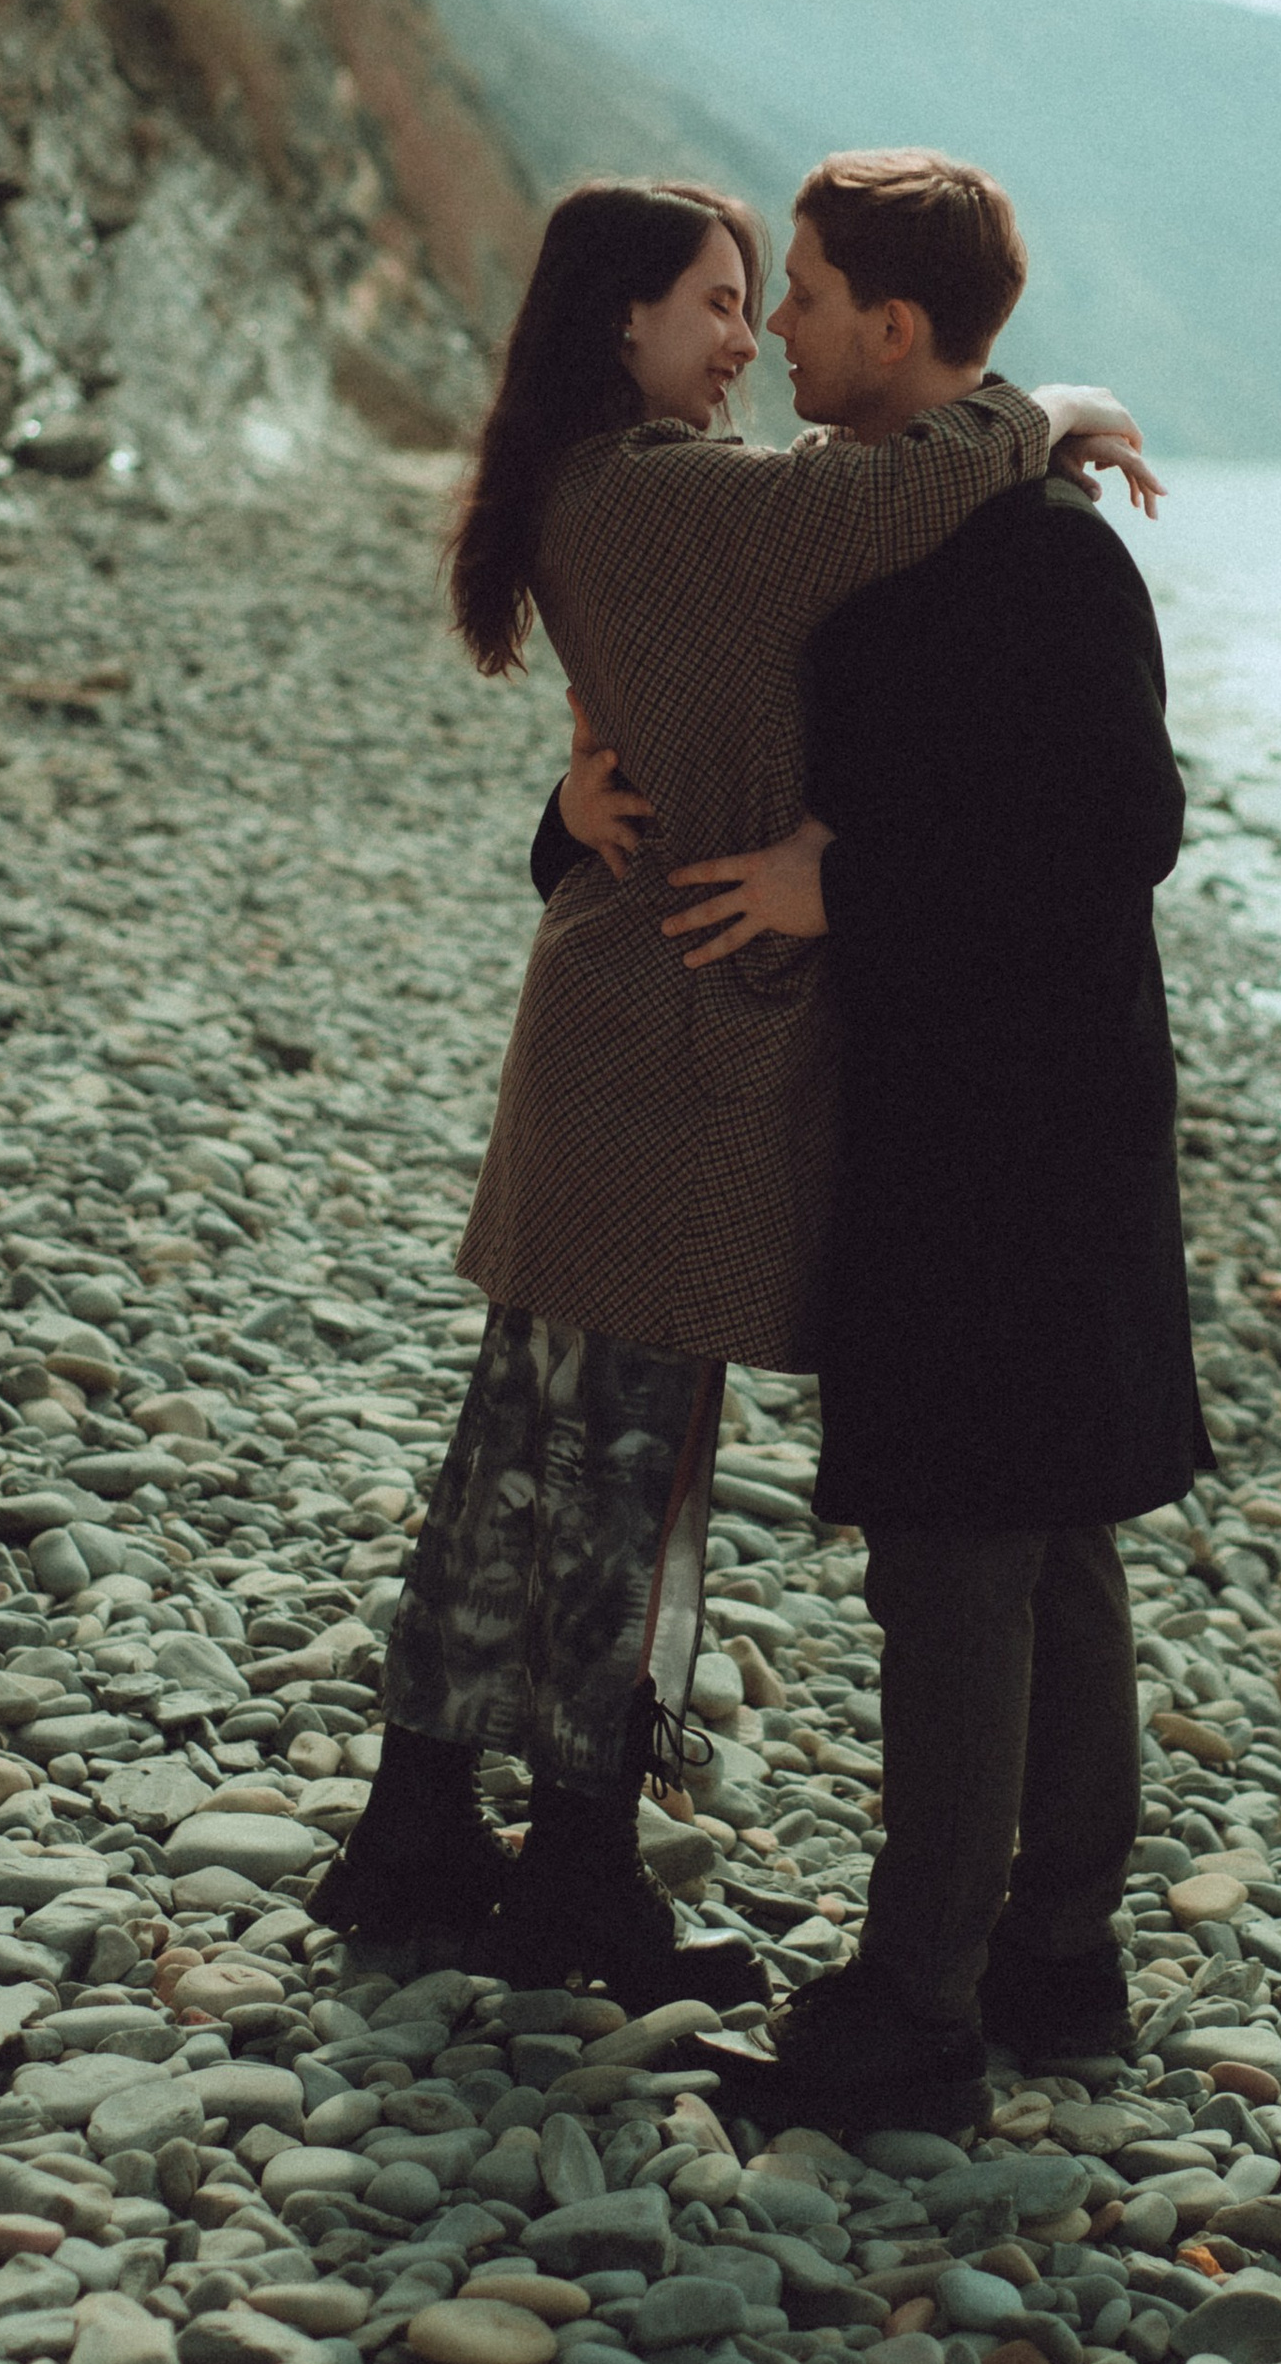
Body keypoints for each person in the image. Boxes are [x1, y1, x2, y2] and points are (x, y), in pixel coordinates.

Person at [311, 174, 1145, 2013]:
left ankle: (444, 1830)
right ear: (615, 321)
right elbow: (891, 489)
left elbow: (729, 668)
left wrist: (582, 808)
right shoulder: (665, 495)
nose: (749, 334)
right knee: (608, 1466)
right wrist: (1053, 406)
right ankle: (561, 1868)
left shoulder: (622, 493)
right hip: (666, 1052)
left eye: (771, 294)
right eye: (714, 299)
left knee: (554, 1453)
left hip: (639, 1034)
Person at [548, 150, 1209, 2129]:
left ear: (894, 331)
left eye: (811, 294)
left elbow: (1120, 834)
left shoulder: (1036, 556)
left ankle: (917, 2011)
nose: (784, 334)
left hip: (1011, 1123)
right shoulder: (894, 530)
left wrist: (856, 887)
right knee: (1044, 1533)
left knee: (963, 1547)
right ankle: (1052, 1971)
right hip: (958, 1105)